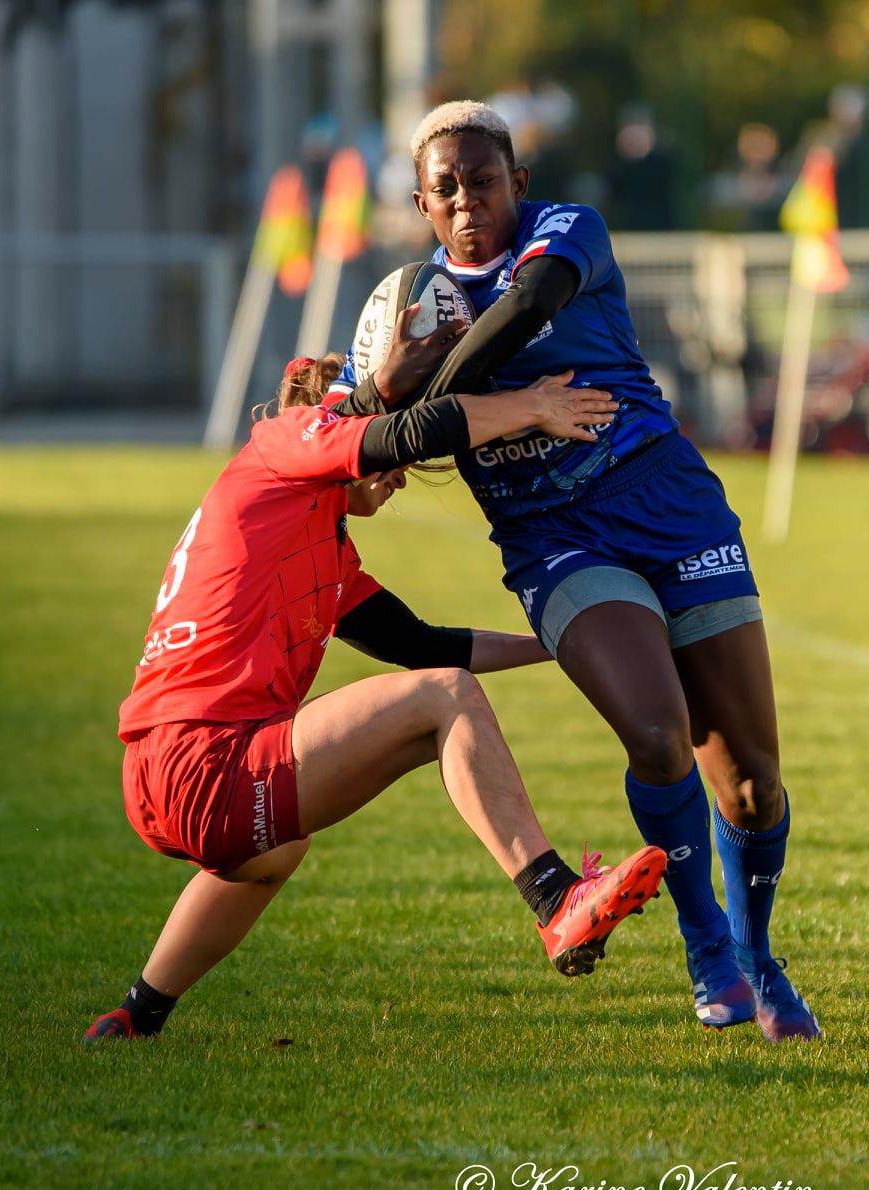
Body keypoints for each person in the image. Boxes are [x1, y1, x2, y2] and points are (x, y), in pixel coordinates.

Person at [322, 101, 821, 1042]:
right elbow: (357, 431)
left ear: (518, 183)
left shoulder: (564, 235)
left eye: (483, 180)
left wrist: (424, 388)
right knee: (656, 729)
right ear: (423, 206)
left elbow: (527, 310)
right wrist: (381, 396)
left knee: (750, 779)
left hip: (671, 508)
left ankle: (761, 955)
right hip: (557, 543)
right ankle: (708, 943)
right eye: (446, 190)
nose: (468, 201)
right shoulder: (401, 310)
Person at [84, 348, 666, 1041]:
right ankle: (556, 899)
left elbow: (423, 643)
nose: (399, 479)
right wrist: (534, 406)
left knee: (275, 854)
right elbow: (390, 434)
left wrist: (562, 643)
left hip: (159, 777)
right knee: (443, 699)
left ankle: (136, 1014)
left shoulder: (317, 534)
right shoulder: (282, 445)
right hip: (203, 759)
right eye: (397, 460)